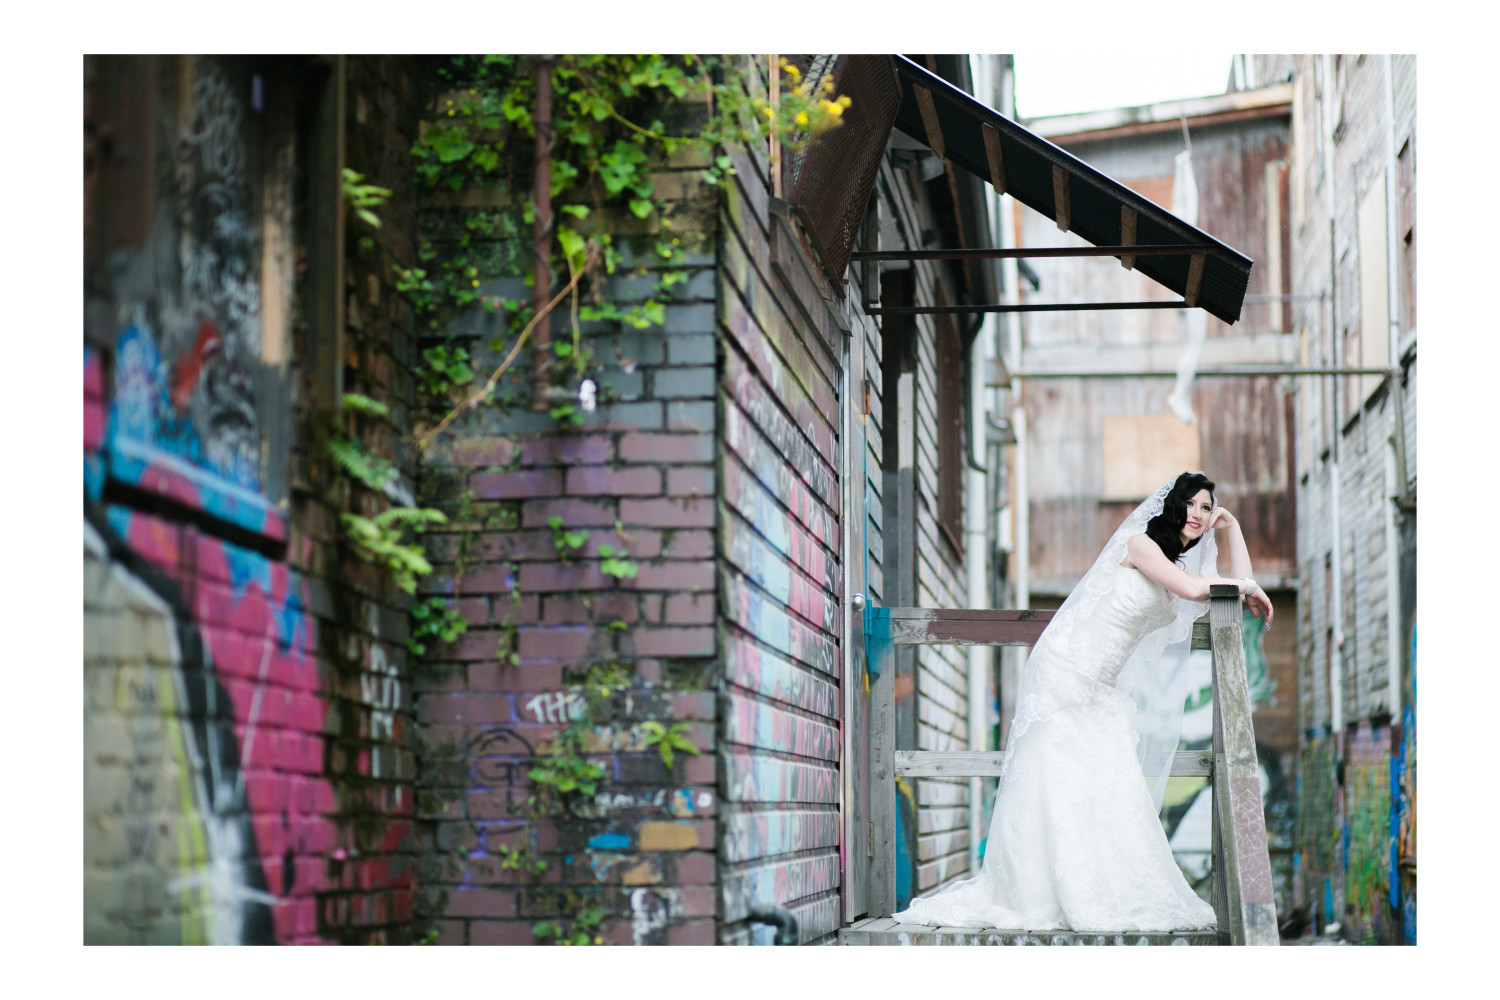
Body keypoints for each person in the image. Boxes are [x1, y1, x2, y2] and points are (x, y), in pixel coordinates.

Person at [892, 471, 1273, 933]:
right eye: (1192, 505)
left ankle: (1095, 885)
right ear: (1172, 506)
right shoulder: (1140, 546)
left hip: (1100, 688)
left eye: (1207, 508)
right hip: (1067, 669)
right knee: (1056, 779)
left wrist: (1232, 531)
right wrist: (1248, 589)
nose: (1199, 514)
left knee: (1103, 782)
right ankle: (1037, 892)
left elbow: (1233, 582)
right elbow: (1200, 591)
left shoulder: (1181, 566)